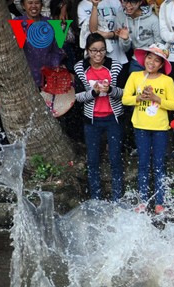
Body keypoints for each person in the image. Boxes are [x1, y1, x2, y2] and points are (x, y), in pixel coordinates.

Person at [122, 44, 174, 215]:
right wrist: (140, 97)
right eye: (149, 58)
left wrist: (156, 98)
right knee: (143, 164)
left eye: (156, 60)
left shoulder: (167, 80)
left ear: (161, 65)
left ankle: (160, 203)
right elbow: (125, 99)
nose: (152, 62)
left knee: (159, 165)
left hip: (160, 128)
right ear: (144, 59)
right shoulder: (135, 76)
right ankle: (143, 201)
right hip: (140, 126)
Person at [74, 33, 125, 201]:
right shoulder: (80, 67)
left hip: (113, 118)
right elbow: (78, 97)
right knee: (93, 159)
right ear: (87, 51)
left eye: (102, 50)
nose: (98, 55)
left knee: (115, 157)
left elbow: (125, 94)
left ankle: (118, 197)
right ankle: (96, 197)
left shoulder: (115, 66)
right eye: (94, 51)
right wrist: (94, 92)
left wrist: (110, 90)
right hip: (92, 120)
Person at [15, 0, 64, 88]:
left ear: (41, 5)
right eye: (30, 3)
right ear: (23, 5)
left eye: (37, 3)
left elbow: (57, 49)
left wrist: (55, 64)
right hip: (24, 78)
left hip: (48, 77)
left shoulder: (50, 23)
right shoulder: (18, 23)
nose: (34, 6)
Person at [114, 0, 162, 73]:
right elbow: (124, 49)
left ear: (140, 2)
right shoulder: (120, 17)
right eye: (125, 1)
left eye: (133, 2)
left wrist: (152, 60)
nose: (128, 5)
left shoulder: (152, 19)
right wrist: (125, 39)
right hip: (136, 60)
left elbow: (159, 43)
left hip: (153, 60)